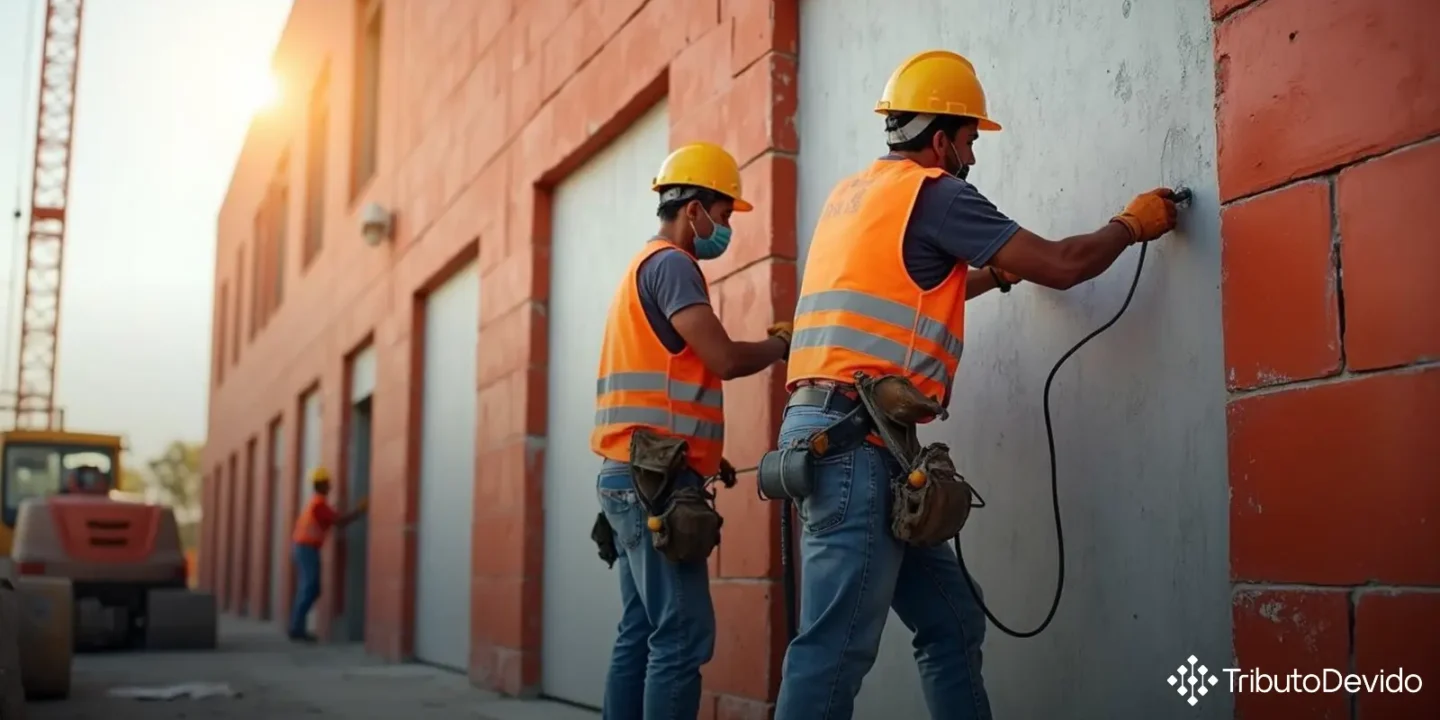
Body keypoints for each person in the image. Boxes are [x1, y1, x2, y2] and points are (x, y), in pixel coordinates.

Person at [773, 49, 1180, 719]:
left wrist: (994, 273)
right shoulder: (936, 193)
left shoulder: (852, 197)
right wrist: (1131, 226)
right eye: (968, 141)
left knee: (953, 624)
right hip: (855, 451)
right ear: (939, 140)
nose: (972, 157)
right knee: (834, 651)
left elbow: (917, 284)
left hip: (845, 442)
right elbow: (1063, 263)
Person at [589, 141, 791, 720]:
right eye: (724, 215)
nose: (725, 229)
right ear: (695, 207)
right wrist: (783, 345)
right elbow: (723, 358)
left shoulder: (639, 268)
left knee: (641, 628)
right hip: (651, 481)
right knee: (681, 635)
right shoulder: (675, 265)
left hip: (632, 471)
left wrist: (704, 457)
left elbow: (669, 377)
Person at [288, 466, 367, 643]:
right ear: (322, 484)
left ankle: (296, 626)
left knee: (310, 588)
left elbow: (332, 518)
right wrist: (359, 511)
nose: (330, 486)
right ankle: (296, 628)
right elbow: (339, 522)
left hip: (305, 548)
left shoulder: (318, 503)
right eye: (328, 483)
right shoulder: (319, 505)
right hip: (306, 548)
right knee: (310, 588)